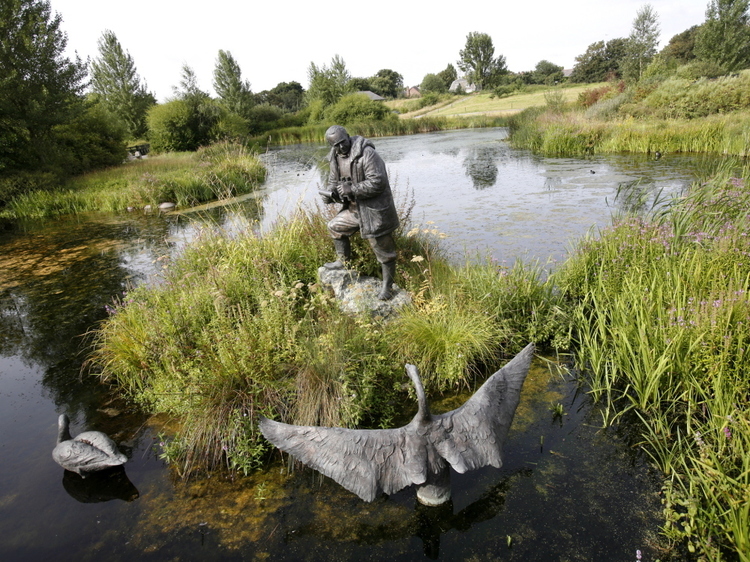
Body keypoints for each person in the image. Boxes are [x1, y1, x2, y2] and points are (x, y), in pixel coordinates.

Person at [320, 125, 399, 300]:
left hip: (374, 211)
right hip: (354, 210)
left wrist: (352, 189)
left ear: (348, 136)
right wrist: (331, 194)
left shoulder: (367, 153)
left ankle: (388, 286)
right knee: (334, 226)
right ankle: (343, 262)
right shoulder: (334, 157)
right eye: (336, 145)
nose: (341, 148)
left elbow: (378, 182)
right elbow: (333, 181)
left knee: (383, 251)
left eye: (343, 143)